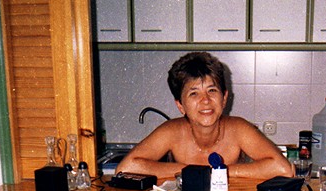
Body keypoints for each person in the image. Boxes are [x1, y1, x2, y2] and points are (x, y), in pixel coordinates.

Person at [117, 52, 293, 179]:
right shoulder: (171, 131)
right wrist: (191, 171)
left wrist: (220, 171)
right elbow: (125, 168)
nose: (206, 100)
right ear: (180, 105)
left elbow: (283, 168)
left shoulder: (239, 128)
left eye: (212, 90)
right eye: (194, 93)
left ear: (224, 98)